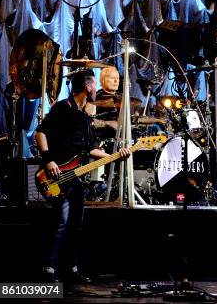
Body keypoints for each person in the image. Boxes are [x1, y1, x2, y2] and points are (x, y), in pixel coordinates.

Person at [35, 69, 130, 284]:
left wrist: (115, 156)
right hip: (53, 175)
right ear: (87, 87)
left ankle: (71, 268)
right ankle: (47, 268)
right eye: (94, 85)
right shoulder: (63, 108)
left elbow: (91, 150)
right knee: (61, 221)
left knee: (76, 224)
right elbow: (40, 132)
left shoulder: (84, 118)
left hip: (73, 177)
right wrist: (48, 160)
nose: (96, 89)